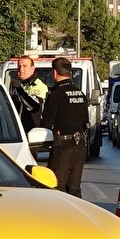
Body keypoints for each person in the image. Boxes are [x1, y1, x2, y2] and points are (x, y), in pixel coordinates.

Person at [39, 57, 88, 197]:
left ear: (54, 72)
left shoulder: (56, 95)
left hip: (62, 146)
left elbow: (46, 124)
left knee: (56, 188)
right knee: (74, 189)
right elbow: (85, 121)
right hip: (80, 146)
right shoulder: (80, 93)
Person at [9, 56, 46, 130]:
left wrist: (20, 89)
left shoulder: (39, 85)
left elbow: (34, 106)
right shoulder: (16, 85)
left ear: (32, 69)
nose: (21, 69)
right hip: (17, 130)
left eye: (24, 66)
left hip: (33, 131)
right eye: (19, 66)